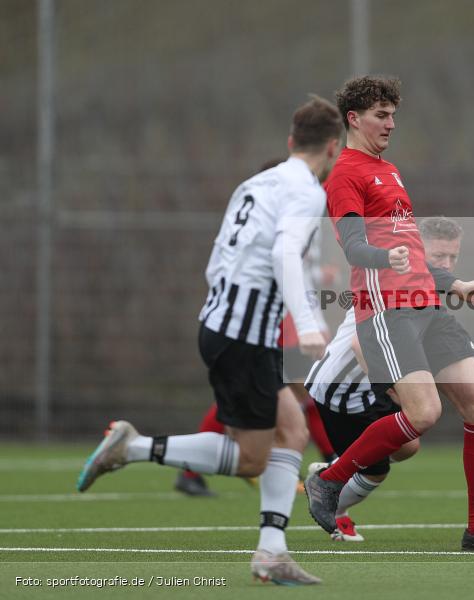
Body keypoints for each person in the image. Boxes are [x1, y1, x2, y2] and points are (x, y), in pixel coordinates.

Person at [75, 96, 344, 585]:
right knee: (251, 457)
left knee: (293, 431)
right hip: (244, 336)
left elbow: (221, 259)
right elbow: (286, 253)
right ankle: (133, 448)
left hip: (225, 324)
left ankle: (272, 551)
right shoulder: (306, 191)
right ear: (333, 147)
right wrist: (307, 323)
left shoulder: (256, 183)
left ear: (289, 142)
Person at [304, 76, 474, 551]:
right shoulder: (346, 174)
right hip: (387, 313)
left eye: (393, 115)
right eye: (381, 115)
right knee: (425, 413)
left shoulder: (388, 170)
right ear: (353, 119)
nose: (391, 123)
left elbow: (412, 253)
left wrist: (456, 284)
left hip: (428, 308)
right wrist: (381, 258)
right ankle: (328, 481)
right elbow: (353, 246)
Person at [175, 158, 336, 498]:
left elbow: (299, 268)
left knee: (291, 394)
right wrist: (312, 322)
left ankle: (330, 467)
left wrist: (320, 282)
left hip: (281, 319)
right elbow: (286, 266)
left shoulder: (289, 207)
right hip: (277, 322)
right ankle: (333, 466)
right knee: (297, 393)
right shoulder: (295, 207)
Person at [304, 216, 464, 542]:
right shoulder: (396, 282)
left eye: (453, 257)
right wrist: (402, 392)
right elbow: (359, 344)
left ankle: (332, 474)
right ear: (418, 251)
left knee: (407, 445)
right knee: (377, 469)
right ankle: (331, 493)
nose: (446, 264)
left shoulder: (423, 287)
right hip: (341, 388)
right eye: (438, 257)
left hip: (367, 387)